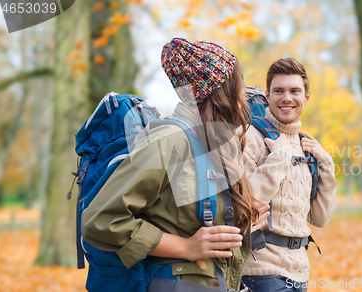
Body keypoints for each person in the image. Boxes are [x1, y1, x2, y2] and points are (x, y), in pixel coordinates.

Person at [81, 37, 268, 292]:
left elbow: (183, 216)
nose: (244, 93)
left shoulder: (216, 143)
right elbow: (101, 220)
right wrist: (186, 247)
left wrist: (243, 216)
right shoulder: (169, 141)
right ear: (219, 89)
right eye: (239, 82)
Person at [240, 58, 338, 292]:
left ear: (306, 96)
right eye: (279, 91)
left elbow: (320, 218)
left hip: (300, 271)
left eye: (295, 91)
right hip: (260, 271)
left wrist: (325, 163)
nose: (287, 98)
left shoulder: (307, 144)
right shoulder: (249, 137)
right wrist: (278, 159)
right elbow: (242, 208)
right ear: (268, 94)